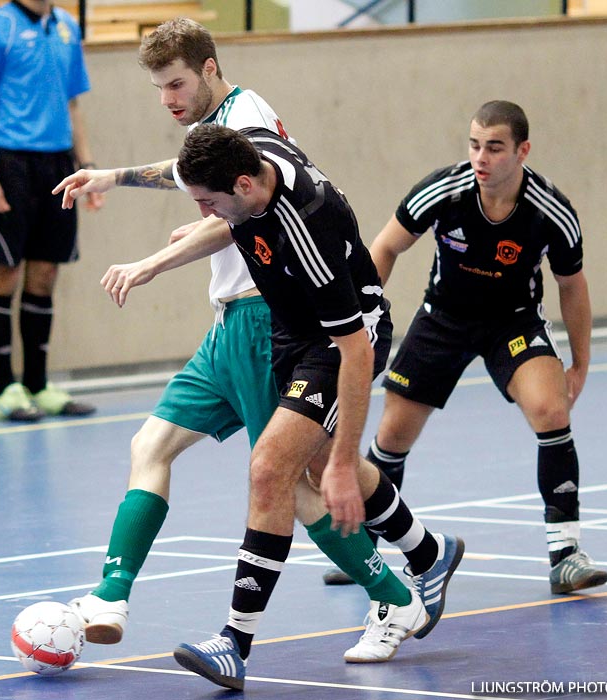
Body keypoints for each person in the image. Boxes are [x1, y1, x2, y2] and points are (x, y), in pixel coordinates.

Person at [52, 19, 461, 665]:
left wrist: (154, 261)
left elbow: (354, 347)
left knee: (292, 474)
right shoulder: (236, 144)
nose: (167, 98)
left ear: (210, 68)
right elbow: (196, 178)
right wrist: (118, 176)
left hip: (303, 327)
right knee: (192, 451)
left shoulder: (299, 219)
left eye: (177, 83)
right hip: (264, 321)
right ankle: (423, 557)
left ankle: (378, 598)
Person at [122, 124, 465, 690]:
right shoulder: (251, 148)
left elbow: (355, 353)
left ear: (243, 185)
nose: (204, 214)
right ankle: (429, 552)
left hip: (340, 340)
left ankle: (235, 642)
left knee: (272, 468)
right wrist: (156, 261)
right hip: (290, 330)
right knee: (305, 465)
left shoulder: (308, 227)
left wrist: (341, 460)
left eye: (209, 204)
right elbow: (224, 223)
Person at [343, 100, 607, 595]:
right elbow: (384, 247)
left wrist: (580, 361)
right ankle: (365, 547)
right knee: (393, 433)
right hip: (443, 317)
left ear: (522, 151)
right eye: (474, 145)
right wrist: (365, 323)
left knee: (552, 410)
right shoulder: (444, 190)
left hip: (512, 322)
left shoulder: (551, 211)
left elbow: (571, 284)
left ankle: (566, 554)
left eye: (494, 147)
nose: (480, 157)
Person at [0, 0, 103, 422]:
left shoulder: (66, 26)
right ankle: (4, 388)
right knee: (5, 270)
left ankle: (37, 385)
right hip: (10, 161)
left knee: (45, 273)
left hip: (58, 163)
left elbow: (72, 104)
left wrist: (88, 169)